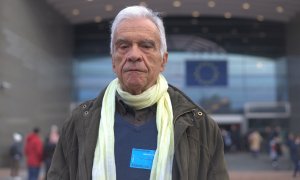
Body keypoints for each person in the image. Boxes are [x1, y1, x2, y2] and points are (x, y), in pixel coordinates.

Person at [48, 5, 229, 180]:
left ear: (163, 61)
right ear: (113, 60)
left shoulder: (200, 127)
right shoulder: (79, 124)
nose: (134, 55)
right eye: (124, 46)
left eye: (146, 45)